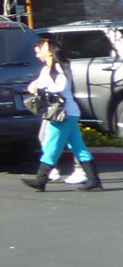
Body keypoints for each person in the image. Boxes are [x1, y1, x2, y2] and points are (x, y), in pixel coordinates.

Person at [23, 36, 101, 191]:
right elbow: (35, 84)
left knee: (52, 145)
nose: (38, 53)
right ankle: (94, 180)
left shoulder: (60, 67)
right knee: (78, 147)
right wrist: (35, 86)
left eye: (42, 50)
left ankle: (41, 179)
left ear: (50, 52)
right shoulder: (46, 69)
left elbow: (60, 86)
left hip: (63, 113)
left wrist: (41, 86)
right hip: (63, 113)